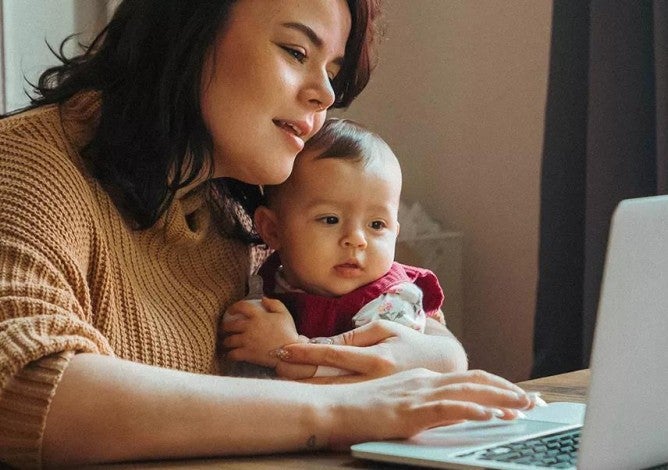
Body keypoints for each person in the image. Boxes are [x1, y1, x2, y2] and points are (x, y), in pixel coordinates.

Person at [0, 1, 537, 467]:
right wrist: (344, 409)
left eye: (332, 69)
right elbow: (28, 388)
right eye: (296, 52)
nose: (325, 93)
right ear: (188, 33)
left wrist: (434, 361)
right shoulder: (28, 165)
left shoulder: (229, 212)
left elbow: (417, 329)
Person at [222, 118, 449, 379]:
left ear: (394, 234)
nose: (356, 239)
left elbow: (373, 374)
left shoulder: (391, 302)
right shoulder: (266, 286)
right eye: (330, 219)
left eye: (376, 224)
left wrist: (286, 349)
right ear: (273, 230)